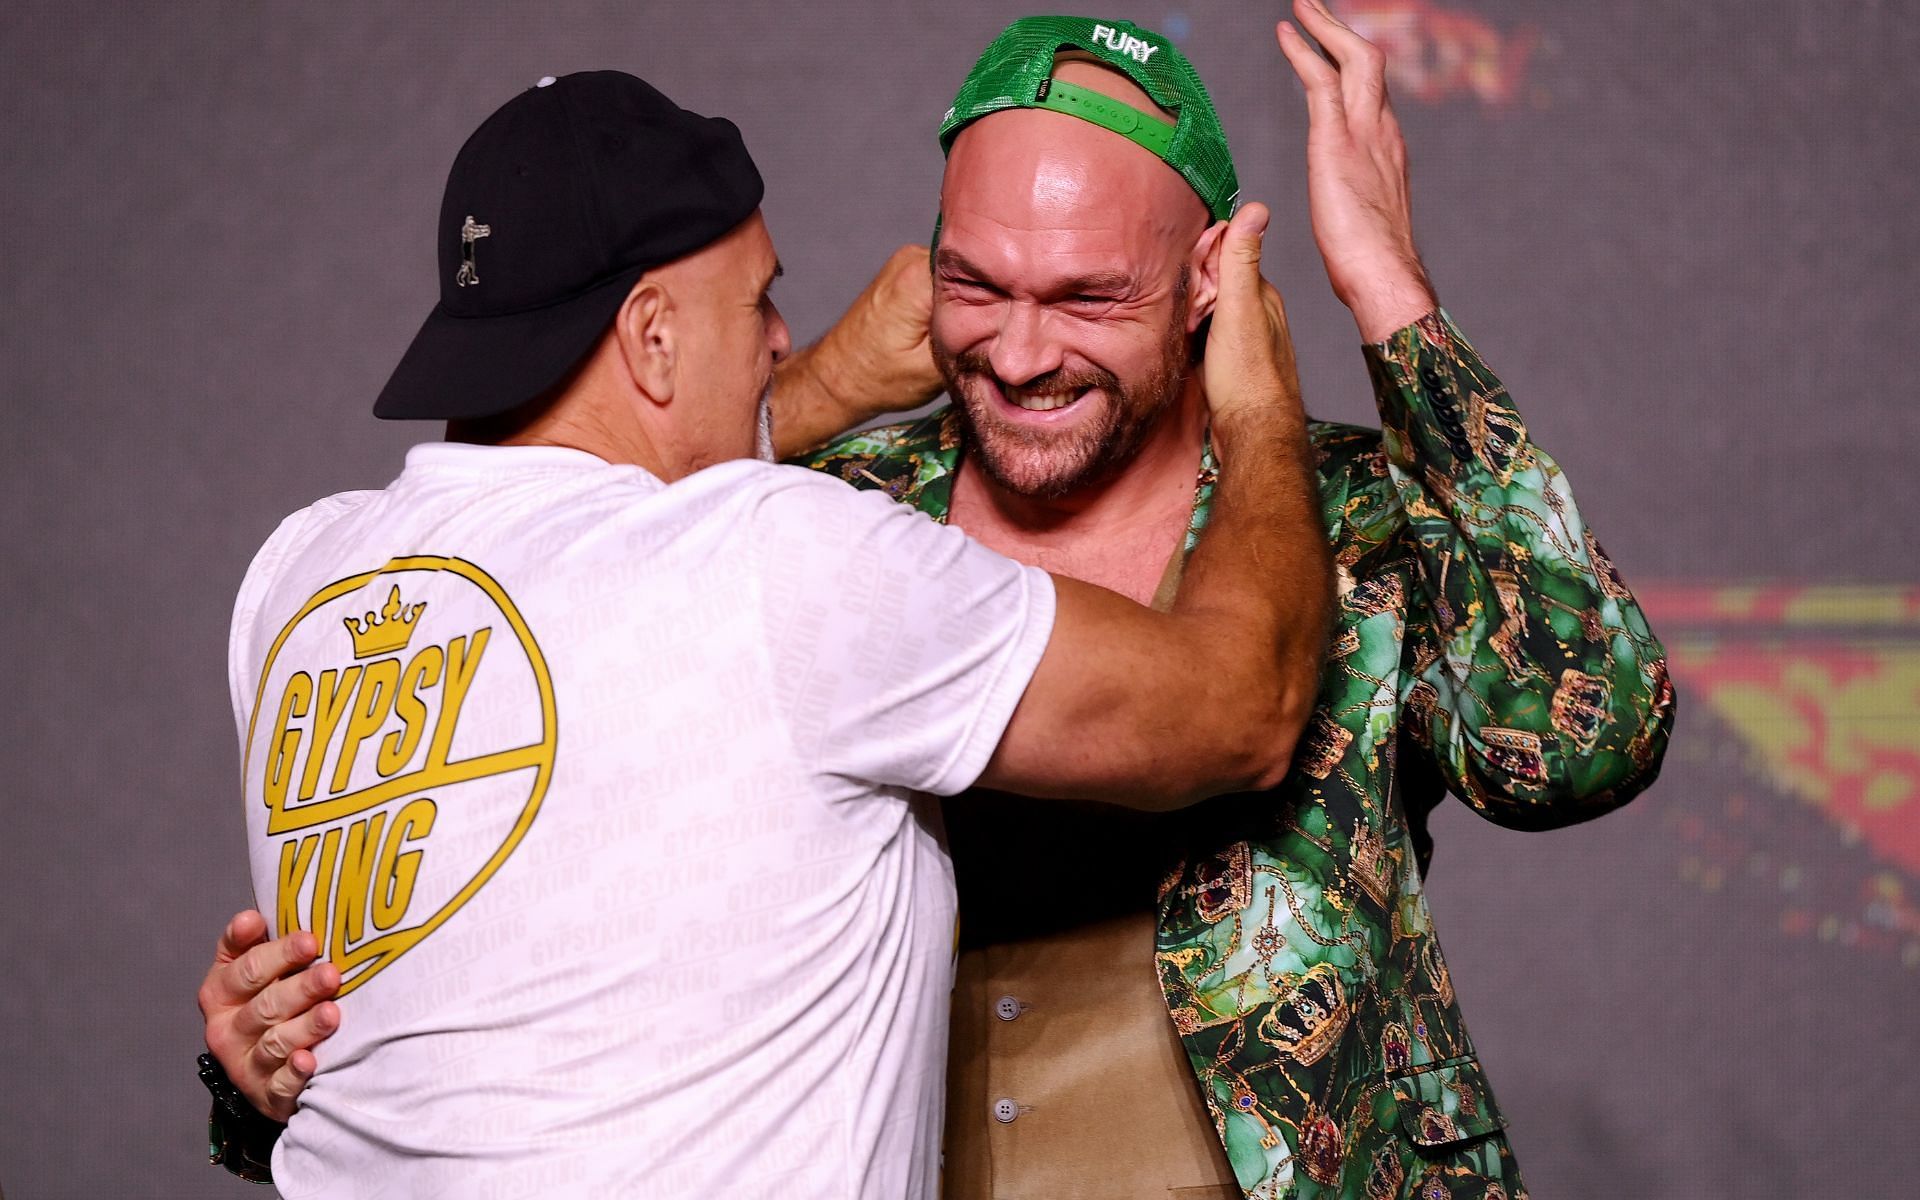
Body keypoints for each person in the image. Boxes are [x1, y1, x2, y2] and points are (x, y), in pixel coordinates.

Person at [201, 6, 1676, 1198]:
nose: (1022, 352)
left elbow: (1582, 738)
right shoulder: (835, 520)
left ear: (1209, 282)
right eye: (979, 286)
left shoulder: (1341, 515)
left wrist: (1389, 302)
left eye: (1089, 296)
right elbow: (575, 582)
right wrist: (276, 1051)